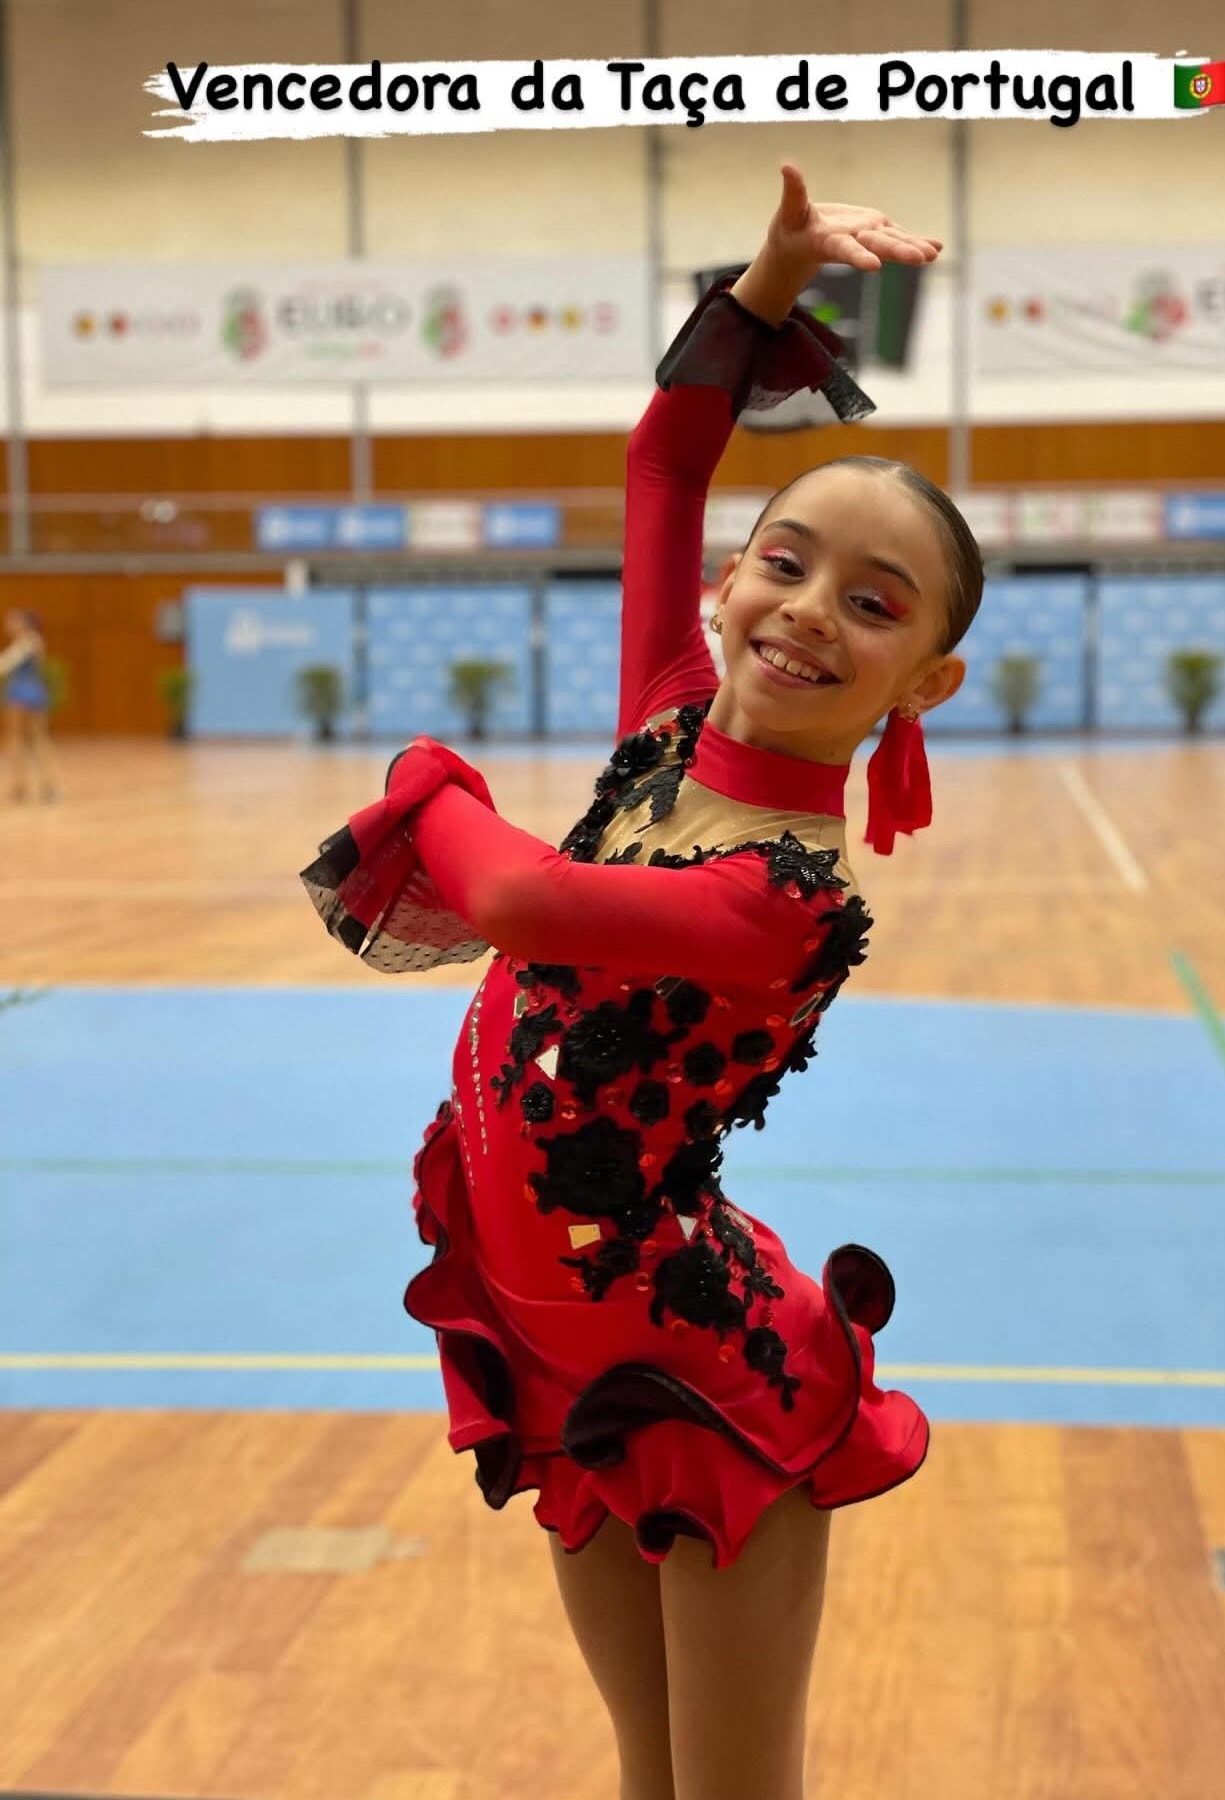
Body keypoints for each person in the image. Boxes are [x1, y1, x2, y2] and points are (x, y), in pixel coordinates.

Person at [302, 165, 983, 1800]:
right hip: (565, 1353)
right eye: (785, 563)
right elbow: (665, 459)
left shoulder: (786, 898)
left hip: (708, 1377)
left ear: (926, 680)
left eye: (872, 605)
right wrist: (767, 286)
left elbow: (520, 900)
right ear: (734, 577)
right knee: (646, 1769)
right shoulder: (668, 713)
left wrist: (424, 776)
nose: (806, 612)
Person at [1, 608, 59, 803]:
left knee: (17, 738)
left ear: (26, 623)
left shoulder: (28, 641)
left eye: (14, 620)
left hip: (20, 692)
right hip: (36, 692)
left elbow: (5, 664)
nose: (9, 624)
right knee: (37, 738)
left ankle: (24, 786)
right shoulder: (34, 641)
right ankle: (43, 786)